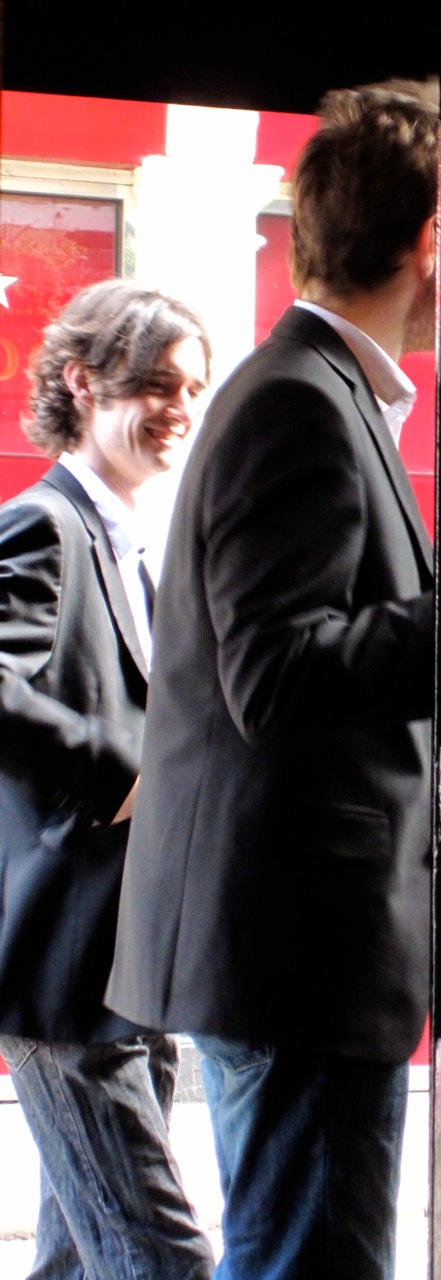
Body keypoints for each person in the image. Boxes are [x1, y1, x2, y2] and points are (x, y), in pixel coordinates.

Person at [105, 86, 438, 1280]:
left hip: (288, 951)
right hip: (299, 957)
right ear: (434, 240)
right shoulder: (300, 397)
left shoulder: (313, 387)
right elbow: (278, 673)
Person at [0, 279, 215, 1279]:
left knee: (81, 1259)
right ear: (83, 383)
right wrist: (123, 778)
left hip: (131, 961)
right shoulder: (44, 525)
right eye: (157, 384)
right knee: (162, 1256)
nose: (179, 408)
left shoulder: (130, 542)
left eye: (193, 389)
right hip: (67, 969)